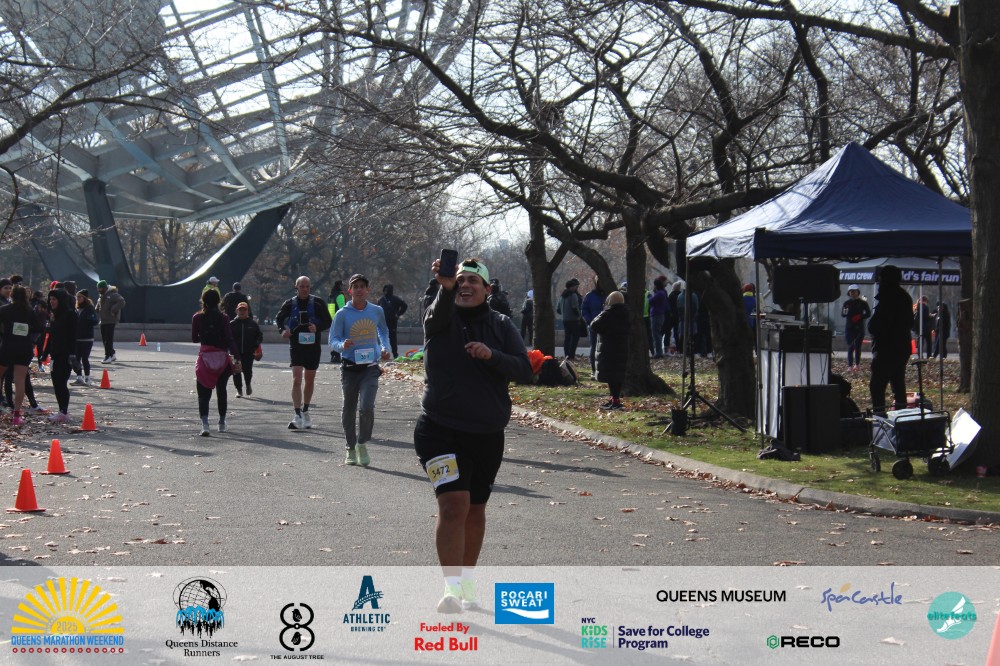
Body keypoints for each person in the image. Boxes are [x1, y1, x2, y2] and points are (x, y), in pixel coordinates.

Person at [415, 257, 532, 613]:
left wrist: (491, 355)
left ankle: (467, 583)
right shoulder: (439, 316)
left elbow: (524, 368)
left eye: (473, 281)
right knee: (453, 505)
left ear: (487, 289)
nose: (465, 285)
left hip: (486, 434)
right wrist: (444, 288)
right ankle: (451, 589)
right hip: (439, 429)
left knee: (475, 510)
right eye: (460, 280)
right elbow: (436, 314)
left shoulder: (501, 325)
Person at [330, 274, 392, 466]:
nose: (358, 290)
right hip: (349, 368)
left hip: (370, 368)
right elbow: (333, 340)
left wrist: (385, 348)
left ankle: (362, 443)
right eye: (355, 286)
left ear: (367, 290)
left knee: (366, 407)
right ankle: (350, 447)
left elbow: (383, 331)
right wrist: (342, 345)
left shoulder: (377, 311)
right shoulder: (342, 314)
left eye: (362, 286)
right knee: (349, 409)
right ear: (350, 291)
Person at [275, 276, 333, 429]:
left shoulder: (318, 302)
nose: (305, 289)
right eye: (302, 286)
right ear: (296, 287)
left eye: (307, 286)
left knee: (309, 379)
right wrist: (282, 330)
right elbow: (279, 319)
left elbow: (328, 321)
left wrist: (317, 327)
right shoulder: (289, 303)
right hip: (296, 345)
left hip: (313, 346)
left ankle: (306, 410)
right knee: (296, 379)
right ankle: (297, 414)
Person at [192, 289, 240, 435]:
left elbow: (194, 338)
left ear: (203, 300)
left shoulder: (197, 317)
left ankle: (205, 424)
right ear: (219, 301)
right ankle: (221, 422)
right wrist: (237, 357)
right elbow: (229, 338)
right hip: (222, 358)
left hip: (205, 357)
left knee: (203, 393)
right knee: (221, 390)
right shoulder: (224, 318)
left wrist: (204, 336)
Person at [868, 265, 913, 414]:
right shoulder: (904, 297)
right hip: (901, 347)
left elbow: (878, 324)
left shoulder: (888, 296)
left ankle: (880, 417)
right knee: (898, 384)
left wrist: (874, 328)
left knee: (877, 386)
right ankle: (900, 415)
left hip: (886, 348)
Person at [0, 285, 43, 426]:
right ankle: (17, 415)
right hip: (24, 348)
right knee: (20, 381)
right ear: (25, 296)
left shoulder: (4, 310)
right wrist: (30, 335)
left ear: (11, 296)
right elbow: (39, 328)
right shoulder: (30, 311)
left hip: (7, 346)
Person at [590, 291, 630, 410]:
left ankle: (615, 401)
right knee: (617, 376)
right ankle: (615, 399)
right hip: (621, 348)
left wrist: (603, 311)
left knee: (611, 376)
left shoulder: (608, 314)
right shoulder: (626, 314)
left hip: (608, 349)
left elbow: (594, 325)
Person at [42, 289, 78, 424]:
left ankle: (64, 411)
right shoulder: (54, 315)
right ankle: (61, 410)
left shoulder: (70, 314)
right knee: (56, 383)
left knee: (61, 382)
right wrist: (45, 353)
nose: (51, 302)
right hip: (55, 354)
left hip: (65, 354)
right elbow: (51, 336)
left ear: (61, 300)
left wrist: (72, 355)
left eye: (54, 299)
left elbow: (73, 336)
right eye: (50, 299)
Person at [230, 302, 263, 397]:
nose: (242, 312)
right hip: (235, 353)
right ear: (237, 311)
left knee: (247, 371)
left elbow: (259, 336)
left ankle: (248, 384)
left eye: (244, 310)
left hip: (249, 352)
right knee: (236, 371)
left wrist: (256, 344)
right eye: (240, 310)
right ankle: (239, 390)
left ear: (247, 311)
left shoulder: (253, 324)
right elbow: (227, 337)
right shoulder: (232, 324)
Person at [841, 283, 871, 371]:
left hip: (859, 328)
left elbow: (868, 313)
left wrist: (860, 316)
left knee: (858, 347)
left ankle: (857, 364)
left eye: (854, 291)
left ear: (858, 292)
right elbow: (843, 314)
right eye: (851, 292)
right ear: (849, 293)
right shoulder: (847, 303)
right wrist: (846, 312)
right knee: (850, 346)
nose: (853, 293)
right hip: (849, 328)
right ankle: (850, 365)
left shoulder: (863, 303)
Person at [73, 289, 99, 385]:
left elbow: (95, 321)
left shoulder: (89, 309)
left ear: (84, 298)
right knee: (76, 359)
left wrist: (86, 320)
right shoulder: (76, 309)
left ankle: (87, 378)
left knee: (85, 358)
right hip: (77, 338)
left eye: (80, 297)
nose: (78, 299)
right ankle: (79, 377)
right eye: (77, 297)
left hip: (87, 338)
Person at [96, 280, 125, 363]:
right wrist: (97, 308)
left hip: (110, 320)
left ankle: (108, 356)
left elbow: (122, 301)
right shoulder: (101, 296)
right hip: (103, 320)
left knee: (108, 339)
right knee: (104, 339)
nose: (99, 290)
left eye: (100, 288)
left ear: (105, 288)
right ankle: (112, 354)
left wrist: (113, 309)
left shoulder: (112, 294)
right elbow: (99, 305)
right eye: (98, 288)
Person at [377, 283, 409, 359]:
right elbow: (377, 310)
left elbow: (405, 306)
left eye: (387, 290)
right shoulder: (381, 300)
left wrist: (398, 314)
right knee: (383, 338)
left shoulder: (395, 299)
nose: (386, 291)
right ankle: (384, 354)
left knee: (392, 339)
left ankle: (395, 355)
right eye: (385, 290)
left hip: (392, 322)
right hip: (383, 322)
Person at [581, 276, 605, 372]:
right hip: (594, 326)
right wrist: (590, 321)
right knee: (594, 347)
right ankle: (594, 369)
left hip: (606, 325)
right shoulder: (590, 296)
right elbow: (584, 310)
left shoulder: (608, 295)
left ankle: (603, 368)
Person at [557, 278, 583, 360]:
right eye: (576, 286)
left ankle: (566, 354)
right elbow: (575, 307)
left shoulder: (562, 296)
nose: (576, 288)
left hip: (565, 319)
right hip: (574, 319)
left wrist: (564, 313)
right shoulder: (573, 295)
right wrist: (579, 316)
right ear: (572, 287)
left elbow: (558, 309)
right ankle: (572, 354)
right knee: (575, 337)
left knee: (567, 338)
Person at [647, 277, 669, 358]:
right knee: (657, 334)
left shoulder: (659, 294)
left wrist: (649, 296)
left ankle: (659, 352)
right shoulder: (662, 293)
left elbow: (651, 301)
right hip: (660, 315)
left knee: (656, 335)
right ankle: (658, 352)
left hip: (656, 315)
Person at [327, 281, 346, 363]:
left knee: (334, 337)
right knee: (340, 338)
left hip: (332, 318)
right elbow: (342, 308)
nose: (343, 287)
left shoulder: (331, 295)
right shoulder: (340, 295)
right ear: (339, 286)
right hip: (339, 318)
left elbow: (330, 308)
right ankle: (338, 356)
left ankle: (334, 355)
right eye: (342, 285)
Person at [912, 294, 934, 359]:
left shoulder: (916, 307)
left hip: (919, 328)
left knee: (920, 343)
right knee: (929, 343)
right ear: (925, 301)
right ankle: (929, 356)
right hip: (926, 328)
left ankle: (920, 356)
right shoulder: (925, 307)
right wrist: (931, 316)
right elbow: (926, 317)